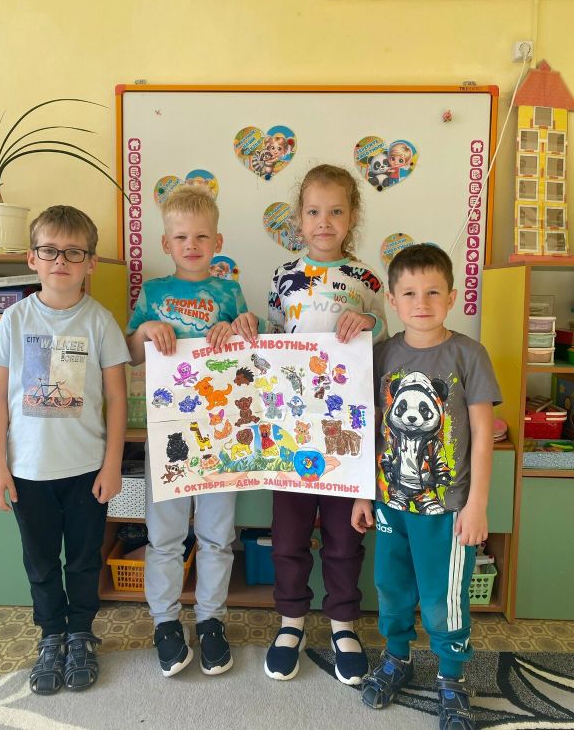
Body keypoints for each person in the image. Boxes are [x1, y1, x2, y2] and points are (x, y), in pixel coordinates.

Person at [232, 164, 387, 684]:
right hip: (292, 430)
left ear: (352, 217)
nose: (325, 221)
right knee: (289, 536)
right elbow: (274, 341)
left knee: (344, 539)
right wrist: (250, 326)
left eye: (336, 211)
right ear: (299, 219)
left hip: (346, 432)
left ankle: (343, 625)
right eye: (314, 211)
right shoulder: (284, 276)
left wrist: (370, 321)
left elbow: (385, 338)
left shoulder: (367, 280)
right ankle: (291, 622)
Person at [351, 243, 501, 730]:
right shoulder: (380, 355)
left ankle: (452, 678)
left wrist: (477, 505)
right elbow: (366, 428)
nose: (422, 302)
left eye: (433, 292)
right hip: (390, 504)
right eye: (410, 293)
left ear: (452, 297)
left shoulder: (468, 354)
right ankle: (397, 658)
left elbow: (483, 435)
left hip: (448, 510)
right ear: (392, 301)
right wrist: (362, 493)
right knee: (390, 588)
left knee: (443, 599)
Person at [0, 205, 130, 695]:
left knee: (85, 560)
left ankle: (82, 632)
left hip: (87, 470)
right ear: (32, 258)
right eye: (50, 251)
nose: (61, 261)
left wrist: (112, 465)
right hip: (28, 472)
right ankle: (51, 635)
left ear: (91, 262)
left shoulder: (101, 322)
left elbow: (116, 399)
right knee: (42, 562)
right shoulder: (14, 318)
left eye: (73, 252)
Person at [126, 184, 250, 678]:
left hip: (220, 433)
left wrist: (239, 326)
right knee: (166, 536)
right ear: (166, 243)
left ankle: (211, 620)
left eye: (201, 237)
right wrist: (145, 331)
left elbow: (250, 348)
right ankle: (165, 622)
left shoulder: (229, 293)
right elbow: (131, 352)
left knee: (217, 535)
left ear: (217, 241)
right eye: (181, 237)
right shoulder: (153, 293)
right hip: (168, 432)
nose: (191, 245)